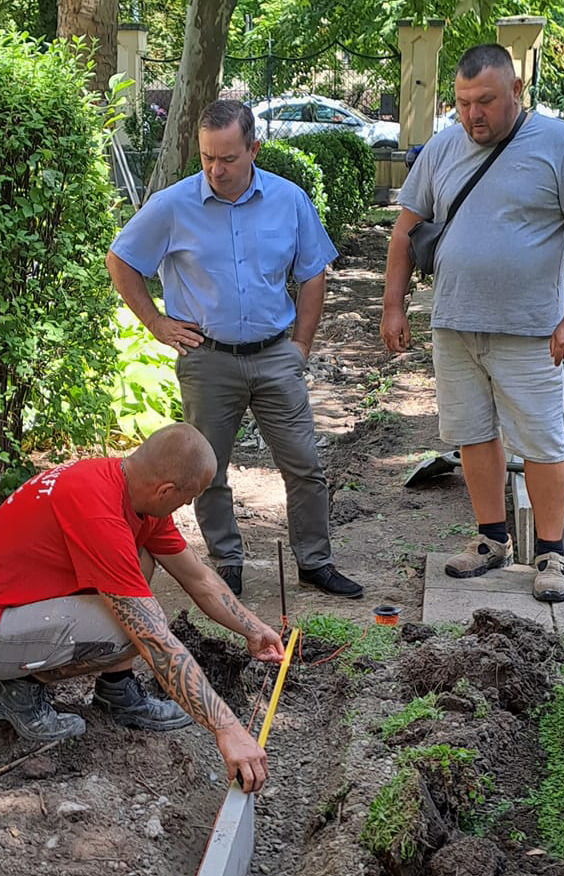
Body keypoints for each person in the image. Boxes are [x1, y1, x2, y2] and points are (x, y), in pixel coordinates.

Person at [106, 99, 364, 602]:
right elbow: (121, 259)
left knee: (305, 464)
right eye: (207, 158)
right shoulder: (173, 205)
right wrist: (156, 323)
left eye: (227, 158)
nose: (216, 170)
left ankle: (315, 561)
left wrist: (301, 345)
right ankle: (227, 561)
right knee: (207, 470)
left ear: (254, 150)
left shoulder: (289, 200)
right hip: (207, 359)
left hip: (275, 355)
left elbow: (313, 273)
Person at [381, 44, 564, 602]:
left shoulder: (560, 144)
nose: (472, 114)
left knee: (541, 442)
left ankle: (552, 554)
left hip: (530, 331)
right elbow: (405, 232)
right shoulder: (442, 148)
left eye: (484, 101)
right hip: (455, 325)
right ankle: (491, 540)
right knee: (472, 435)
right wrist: (392, 306)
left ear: (516, 90)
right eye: (462, 103)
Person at [0, 423, 284, 792]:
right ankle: (17, 690)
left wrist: (252, 628)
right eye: (188, 498)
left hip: (18, 611)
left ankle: (117, 690)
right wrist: (228, 729)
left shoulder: (132, 492)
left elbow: (198, 577)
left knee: (142, 560)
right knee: (132, 629)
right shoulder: (98, 511)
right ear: (166, 490)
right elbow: (155, 640)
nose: (186, 506)